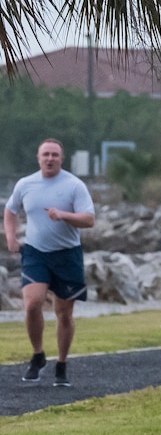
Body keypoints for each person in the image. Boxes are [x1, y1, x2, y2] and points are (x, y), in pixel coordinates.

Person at [8, 140, 95, 386]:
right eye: (45, 154)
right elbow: (10, 210)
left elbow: (89, 220)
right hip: (36, 253)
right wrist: (11, 236)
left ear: (61, 158)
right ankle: (38, 356)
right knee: (32, 303)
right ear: (38, 158)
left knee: (63, 313)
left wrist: (64, 215)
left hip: (67, 255)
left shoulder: (74, 185)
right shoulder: (25, 184)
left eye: (54, 155)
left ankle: (62, 364)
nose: (50, 158)